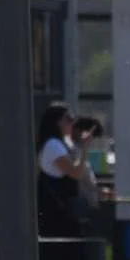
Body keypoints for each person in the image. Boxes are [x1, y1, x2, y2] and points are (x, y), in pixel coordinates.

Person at [35, 101, 96, 237]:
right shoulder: (53, 145)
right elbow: (76, 173)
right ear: (57, 122)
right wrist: (85, 149)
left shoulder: (60, 144)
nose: (72, 123)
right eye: (68, 119)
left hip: (60, 210)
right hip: (56, 211)